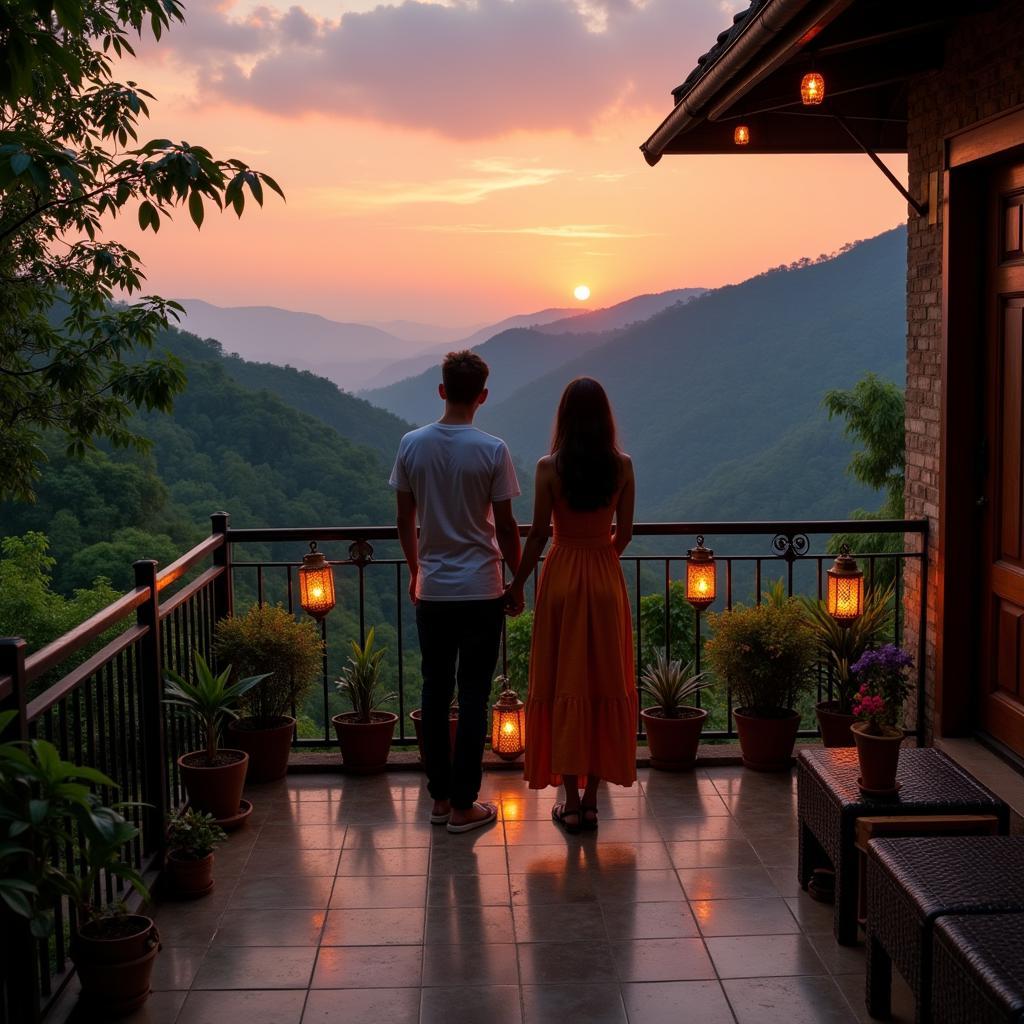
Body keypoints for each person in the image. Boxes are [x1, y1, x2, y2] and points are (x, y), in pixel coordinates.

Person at [391, 350, 521, 834]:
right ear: (482, 396)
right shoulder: (492, 450)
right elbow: (506, 528)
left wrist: (414, 570)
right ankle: (466, 804)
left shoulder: (411, 445)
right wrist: (521, 578)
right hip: (483, 588)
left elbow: (405, 519)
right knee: (472, 697)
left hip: (435, 590)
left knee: (433, 689)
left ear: (442, 390)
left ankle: (440, 800)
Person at [505, 377, 637, 833]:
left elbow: (539, 534)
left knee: (562, 678)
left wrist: (517, 584)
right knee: (604, 680)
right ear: (605, 418)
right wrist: (599, 558)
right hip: (604, 577)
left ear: (563, 417)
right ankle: (595, 802)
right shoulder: (622, 466)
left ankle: (571, 800)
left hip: (560, 577)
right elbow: (626, 533)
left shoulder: (547, 468)